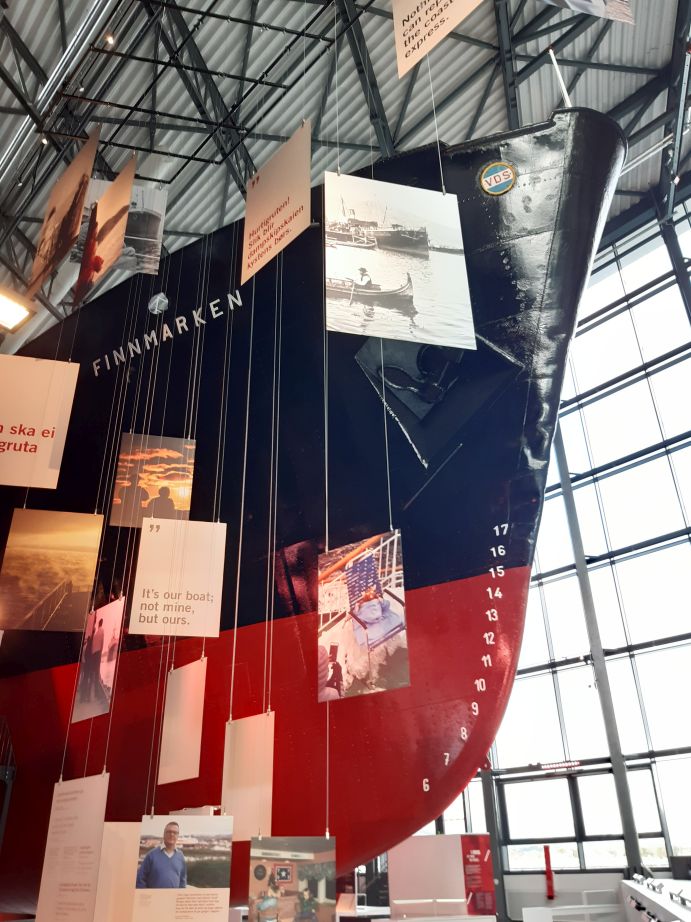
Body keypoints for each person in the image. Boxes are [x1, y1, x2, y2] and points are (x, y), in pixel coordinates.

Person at [136, 821, 187, 888]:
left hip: (174, 895)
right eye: (169, 832)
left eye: (175, 832)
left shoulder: (180, 856)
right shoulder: (151, 855)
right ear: (164, 834)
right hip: (154, 895)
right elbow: (140, 880)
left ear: (178, 836)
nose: (172, 834)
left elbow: (182, 881)